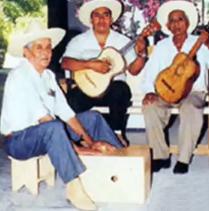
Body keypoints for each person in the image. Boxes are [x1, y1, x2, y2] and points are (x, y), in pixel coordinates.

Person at [0, 20, 124, 210]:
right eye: (39, 47)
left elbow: (67, 114)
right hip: (18, 141)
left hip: (45, 132)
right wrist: (81, 149)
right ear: (26, 52)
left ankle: (120, 163)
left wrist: (91, 142)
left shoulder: (48, 76)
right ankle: (74, 188)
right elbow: (46, 119)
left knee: (93, 117)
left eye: (49, 47)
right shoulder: (20, 76)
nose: (46, 52)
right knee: (53, 128)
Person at [61, 0, 147, 145]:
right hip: (87, 89)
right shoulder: (79, 41)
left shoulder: (122, 41)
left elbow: (134, 70)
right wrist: (90, 64)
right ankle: (72, 139)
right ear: (91, 19)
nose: (101, 19)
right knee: (69, 101)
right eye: (97, 15)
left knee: (121, 89)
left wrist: (142, 54)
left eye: (105, 15)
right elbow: (65, 63)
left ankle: (117, 134)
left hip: (113, 92)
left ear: (111, 19)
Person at [141, 0, 209, 174]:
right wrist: (149, 91)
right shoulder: (162, 47)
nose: (176, 24)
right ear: (167, 26)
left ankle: (183, 158)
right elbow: (150, 72)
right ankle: (160, 156)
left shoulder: (200, 43)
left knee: (191, 108)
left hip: (193, 92)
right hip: (166, 92)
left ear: (187, 23)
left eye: (180, 19)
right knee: (150, 107)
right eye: (172, 20)